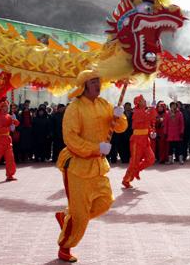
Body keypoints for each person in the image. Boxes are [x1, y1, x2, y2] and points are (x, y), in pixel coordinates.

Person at [54, 70, 127, 262]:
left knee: (105, 202)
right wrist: (96, 147)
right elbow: (70, 138)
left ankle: (67, 219)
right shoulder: (75, 108)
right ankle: (65, 246)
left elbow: (120, 127)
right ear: (84, 85)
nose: (97, 85)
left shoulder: (105, 104)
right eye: (93, 82)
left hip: (98, 166)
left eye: (98, 81)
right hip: (77, 166)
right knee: (80, 216)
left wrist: (120, 116)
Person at [122, 95, 156, 188]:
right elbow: (147, 117)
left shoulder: (144, 111)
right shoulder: (137, 112)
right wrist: (153, 109)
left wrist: (151, 131)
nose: (145, 102)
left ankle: (137, 170)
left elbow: (148, 122)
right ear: (138, 103)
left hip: (145, 139)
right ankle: (126, 179)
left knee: (151, 158)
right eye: (143, 100)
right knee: (134, 161)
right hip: (137, 140)